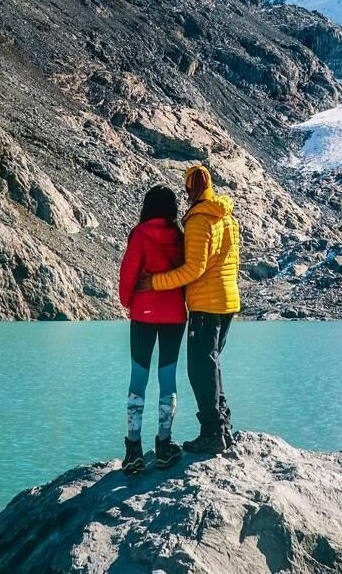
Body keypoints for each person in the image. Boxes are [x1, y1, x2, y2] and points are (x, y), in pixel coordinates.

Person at [137, 164, 240, 455]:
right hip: (227, 301)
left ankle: (211, 433)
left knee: (199, 368)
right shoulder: (227, 216)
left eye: (187, 189)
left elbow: (194, 269)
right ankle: (223, 428)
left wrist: (154, 283)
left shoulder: (198, 219)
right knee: (212, 365)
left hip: (206, 305)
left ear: (191, 189)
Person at [117, 185, 188, 474]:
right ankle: (164, 446)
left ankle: (134, 449)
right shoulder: (181, 237)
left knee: (139, 378)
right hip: (174, 315)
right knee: (168, 379)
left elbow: (128, 273)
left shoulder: (141, 233)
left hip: (143, 314)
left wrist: (128, 302)